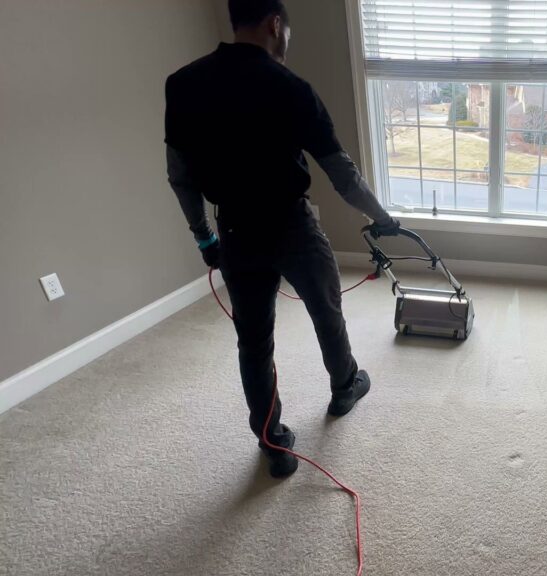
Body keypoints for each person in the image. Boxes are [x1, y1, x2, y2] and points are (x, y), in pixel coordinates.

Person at [164, 0, 399, 478]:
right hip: (292, 225)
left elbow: (180, 176)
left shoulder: (183, 84)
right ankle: (344, 385)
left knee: (253, 341)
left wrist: (203, 238)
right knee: (326, 309)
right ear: (275, 24)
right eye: (287, 33)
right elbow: (343, 176)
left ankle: (272, 442)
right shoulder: (290, 87)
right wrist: (382, 216)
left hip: (233, 230)